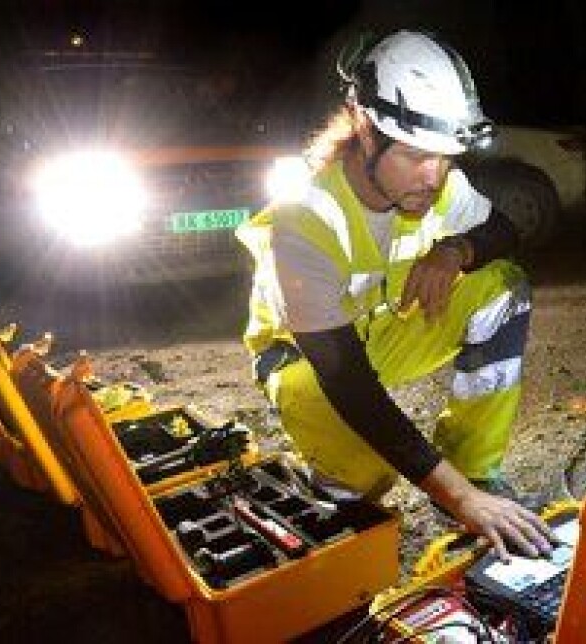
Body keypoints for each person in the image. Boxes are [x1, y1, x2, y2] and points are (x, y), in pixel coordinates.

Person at [236, 29, 552, 559]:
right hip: (306, 361)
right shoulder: (304, 219)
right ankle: (336, 496)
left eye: (446, 157)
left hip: (379, 333)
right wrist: (458, 500)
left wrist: (456, 252)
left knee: (502, 290)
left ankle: (477, 468)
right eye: (415, 155)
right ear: (364, 128)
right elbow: (347, 380)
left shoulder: (436, 181)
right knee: (368, 468)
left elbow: (505, 230)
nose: (434, 177)